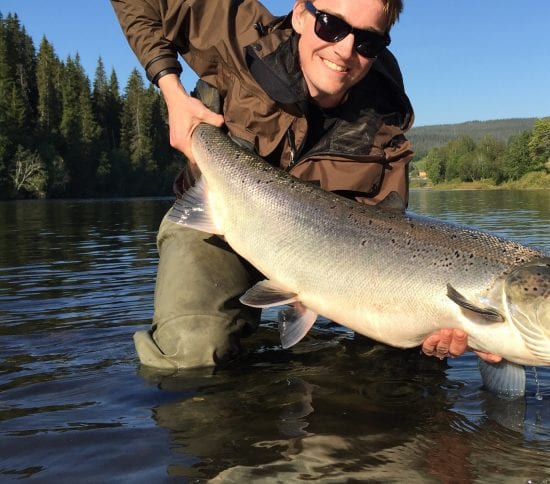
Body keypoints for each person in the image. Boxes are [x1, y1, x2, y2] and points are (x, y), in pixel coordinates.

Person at [112, 0, 500, 369]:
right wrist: (170, 89)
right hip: (216, 217)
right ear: (300, 14)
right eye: (331, 26)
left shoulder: (385, 134)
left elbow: (386, 257)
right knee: (192, 351)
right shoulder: (240, 33)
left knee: (393, 365)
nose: (346, 51)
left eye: (368, 41)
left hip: (315, 259)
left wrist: (438, 330)